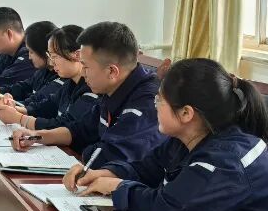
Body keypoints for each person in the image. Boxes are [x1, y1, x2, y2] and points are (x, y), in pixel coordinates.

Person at [68, 58, 268, 211]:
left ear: (186, 113)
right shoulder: (186, 139)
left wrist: (118, 187)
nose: (155, 106)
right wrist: (106, 173)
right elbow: (145, 168)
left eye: (159, 100)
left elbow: (166, 209)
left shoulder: (227, 160)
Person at [11, 21, 165, 164]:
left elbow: (109, 155)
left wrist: (85, 151)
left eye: (86, 66)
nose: (83, 74)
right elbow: (80, 130)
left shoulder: (148, 102)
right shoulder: (113, 87)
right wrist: (35, 137)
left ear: (112, 71)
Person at [0, 25, 98, 130]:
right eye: (50, 56)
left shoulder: (92, 90)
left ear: (77, 55)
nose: (51, 62)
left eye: (54, 56)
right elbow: (46, 107)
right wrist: (14, 109)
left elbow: (65, 127)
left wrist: (20, 118)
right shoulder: (70, 84)